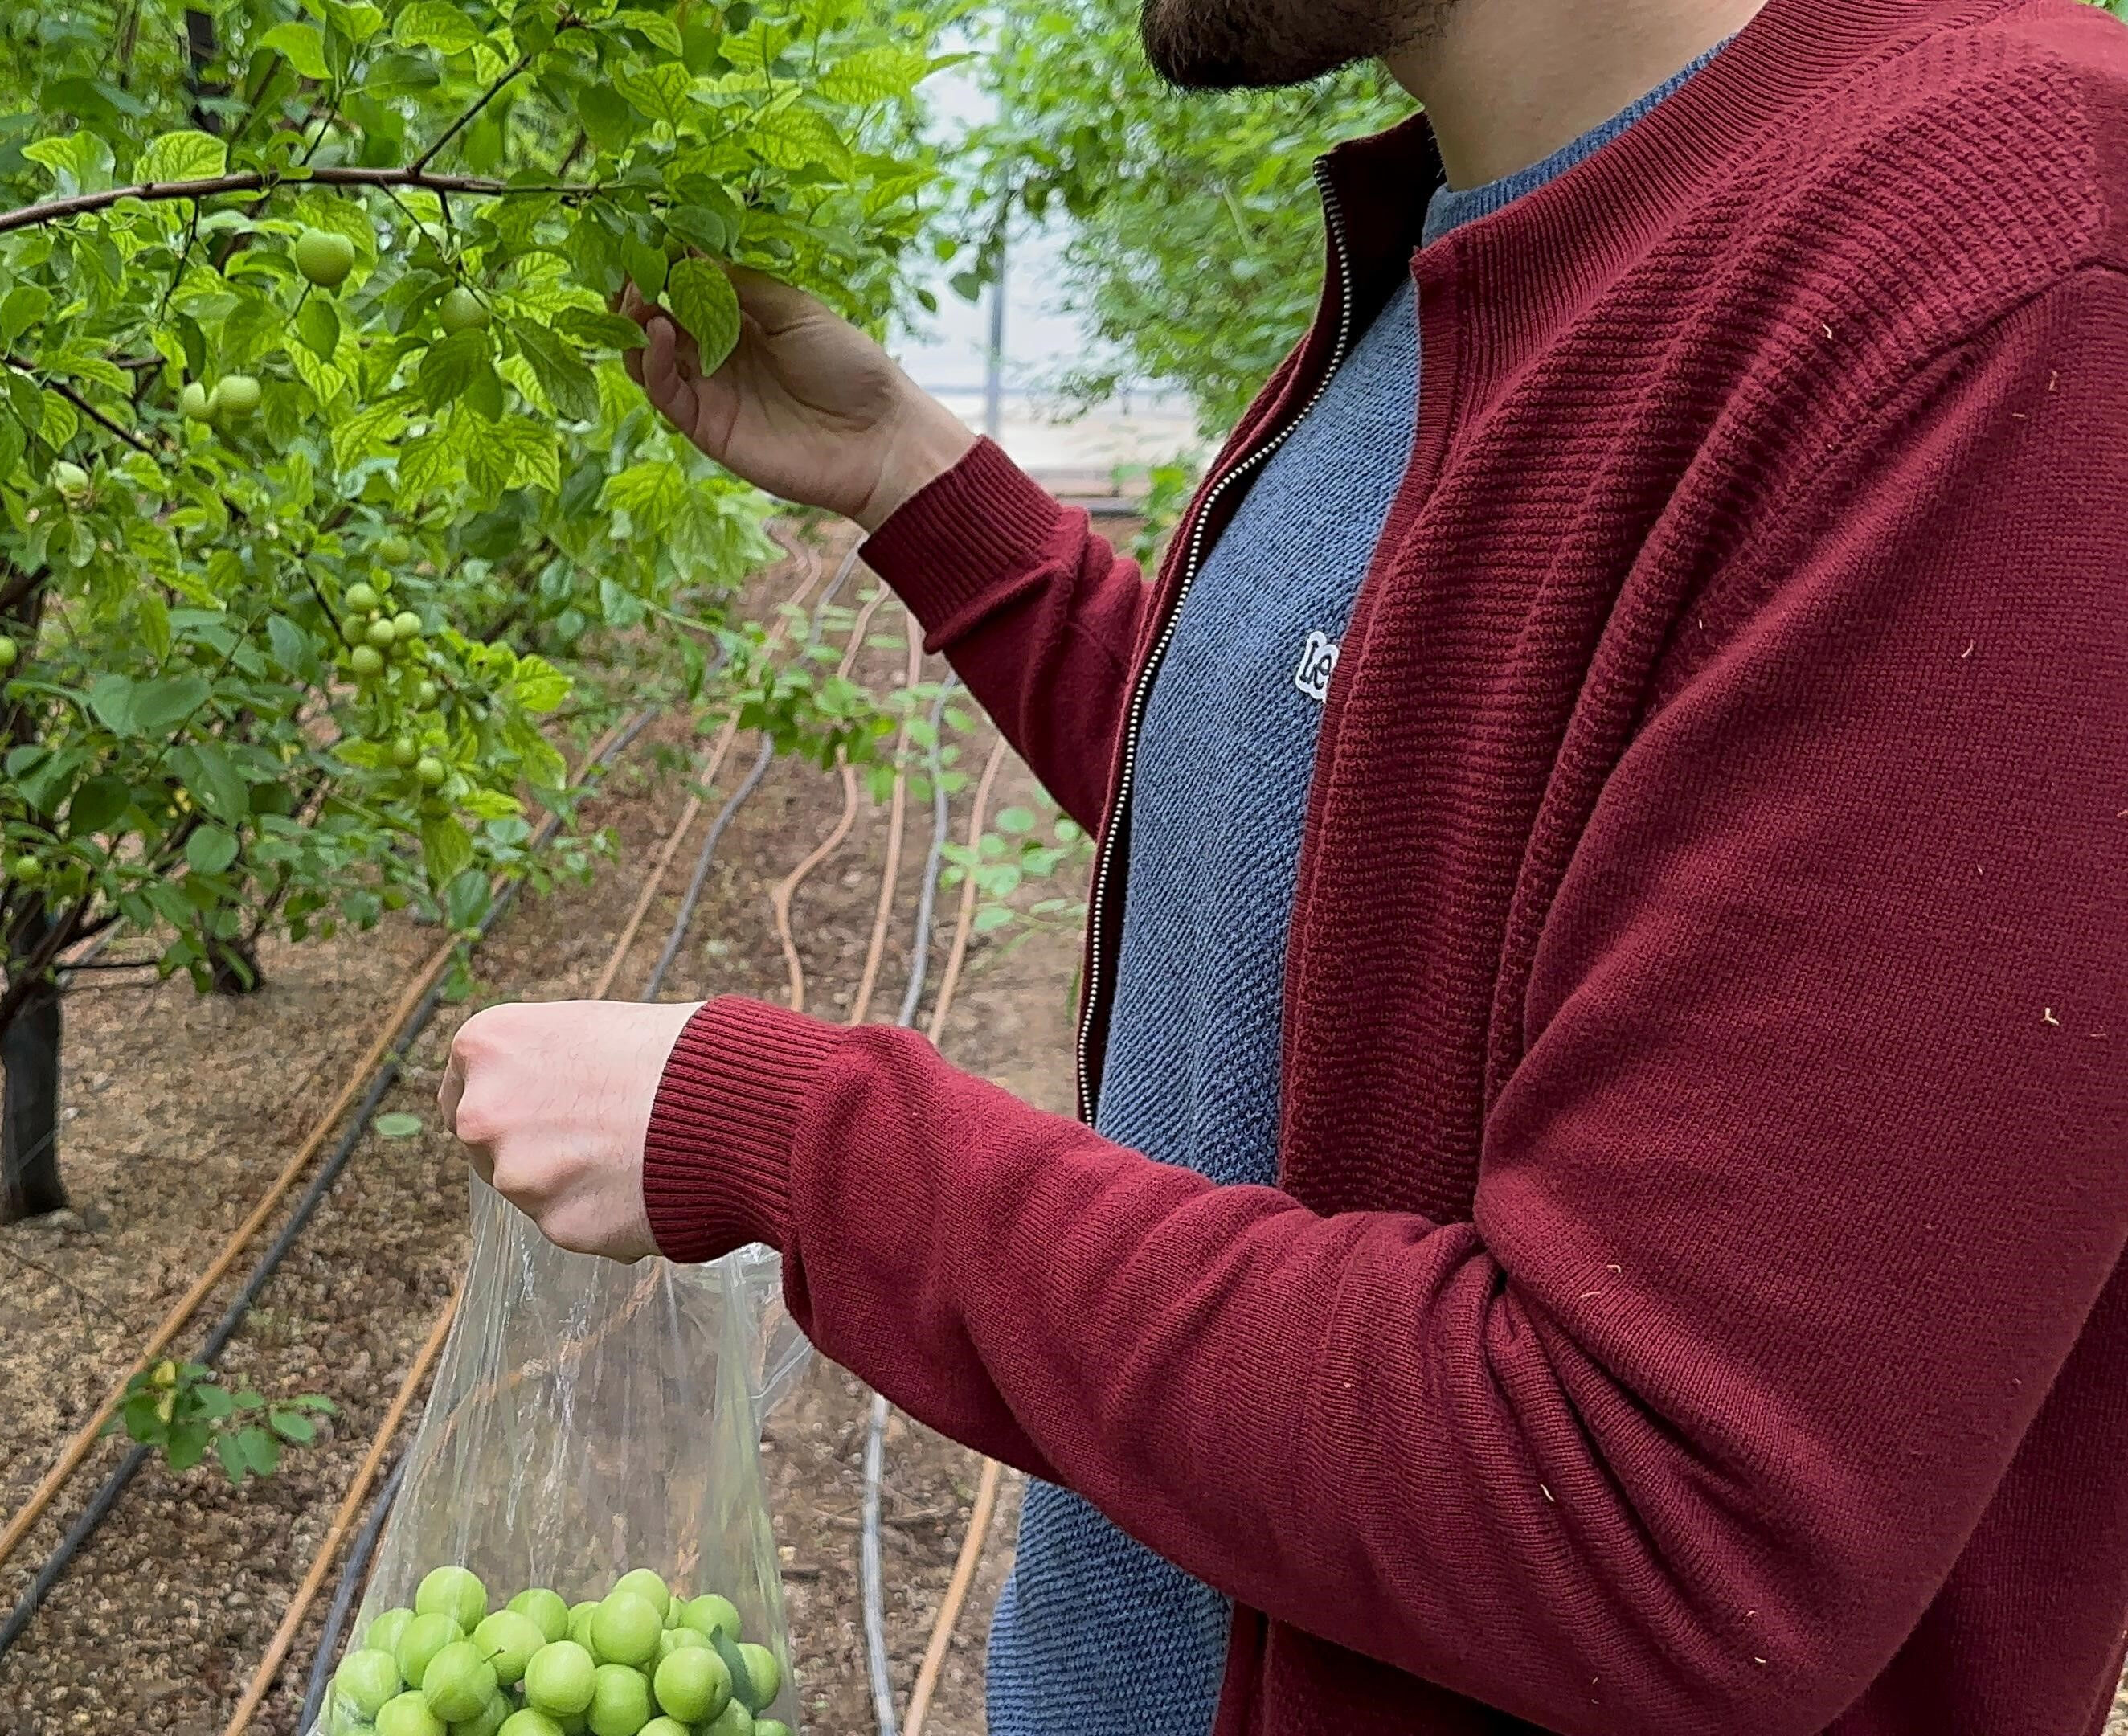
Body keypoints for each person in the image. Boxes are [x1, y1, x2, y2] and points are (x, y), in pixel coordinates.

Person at [432, 0, 2128, 1730]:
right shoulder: (1486, 225)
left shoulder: (1995, 279)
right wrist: (915, 481)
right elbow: (1350, 837)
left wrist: (795, 1140)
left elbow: (1658, 1516)